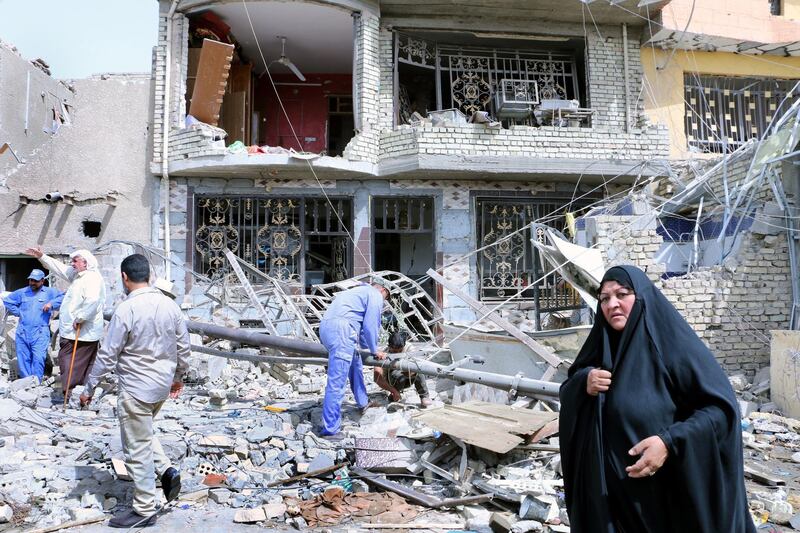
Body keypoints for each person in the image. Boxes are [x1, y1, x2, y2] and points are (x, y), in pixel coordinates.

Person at [559, 265, 755, 533]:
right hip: (610, 507)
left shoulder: (673, 348)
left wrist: (669, 442)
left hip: (663, 505)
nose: (612, 304)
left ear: (640, 297)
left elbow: (720, 411)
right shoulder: (600, 347)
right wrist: (585, 382)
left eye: (622, 294)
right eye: (604, 298)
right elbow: (570, 388)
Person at [79, 254, 189, 528]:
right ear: (149, 277)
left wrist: (89, 387)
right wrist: (178, 378)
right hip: (161, 387)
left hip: (135, 388)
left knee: (136, 446)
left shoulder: (125, 310)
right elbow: (184, 348)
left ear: (125, 278)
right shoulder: (170, 306)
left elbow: (107, 354)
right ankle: (166, 470)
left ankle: (144, 509)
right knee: (144, 432)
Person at [25, 247, 107, 397]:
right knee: (70, 362)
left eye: (75, 261)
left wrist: (81, 317)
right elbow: (60, 268)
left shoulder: (92, 278)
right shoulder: (78, 275)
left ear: (85, 263)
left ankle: (72, 394)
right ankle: (77, 393)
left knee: (72, 363)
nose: (72, 264)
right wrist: (42, 256)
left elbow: (93, 301)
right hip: (72, 331)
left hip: (82, 332)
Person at [318, 282, 389, 440]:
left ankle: (363, 402)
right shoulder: (375, 295)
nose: (383, 302)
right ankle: (331, 430)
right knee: (337, 382)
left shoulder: (357, 292)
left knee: (355, 363)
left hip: (328, 328)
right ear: (383, 290)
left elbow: (363, 330)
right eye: (385, 298)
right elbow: (371, 325)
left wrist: (368, 347)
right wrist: (374, 350)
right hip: (342, 331)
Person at [2, 269, 63, 381]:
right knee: (23, 358)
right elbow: (8, 300)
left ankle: (37, 382)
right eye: (30, 280)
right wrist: (18, 312)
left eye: (35, 281)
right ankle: (27, 383)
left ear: (42, 281)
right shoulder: (22, 292)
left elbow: (64, 296)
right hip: (23, 330)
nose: (32, 283)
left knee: (38, 358)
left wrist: (51, 303)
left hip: (40, 331)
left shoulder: (50, 292)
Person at [373, 330, 431, 407]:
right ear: (389, 346)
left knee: (418, 369)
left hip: (409, 375)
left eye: (400, 351)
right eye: (394, 351)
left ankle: (424, 396)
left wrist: (410, 372)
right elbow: (377, 378)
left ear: (404, 345)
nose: (397, 353)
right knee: (397, 374)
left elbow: (417, 364)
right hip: (393, 380)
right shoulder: (383, 354)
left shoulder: (409, 348)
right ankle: (395, 394)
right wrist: (393, 391)